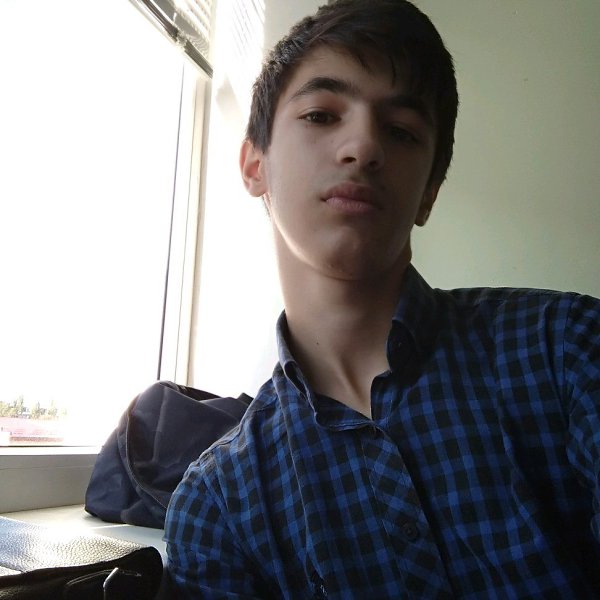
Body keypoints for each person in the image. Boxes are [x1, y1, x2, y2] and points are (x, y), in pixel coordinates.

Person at [164, 0, 600, 597]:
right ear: (253, 164)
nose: (364, 146)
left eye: (400, 131)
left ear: (429, 193)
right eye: (321, 115)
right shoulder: (217, 504)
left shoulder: (568, 350)